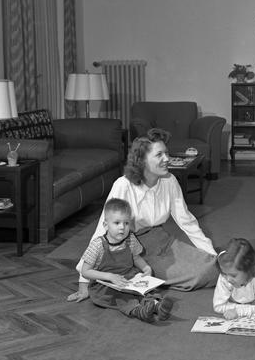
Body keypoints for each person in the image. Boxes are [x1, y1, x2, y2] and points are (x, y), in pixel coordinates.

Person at [67, 128, 219, 302]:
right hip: (134, 250)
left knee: (214, 266)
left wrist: (211, 253)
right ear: (142, 161)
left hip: (163, 240)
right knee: (201, 274)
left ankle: (147, 277)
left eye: (166, 153)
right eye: (159, 155)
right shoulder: (123, 186)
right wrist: (83, 283)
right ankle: (132, 270)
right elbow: (102, 229)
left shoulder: (170, 181)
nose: (167, 159)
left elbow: (188, 222)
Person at [79, 198, 173, 323]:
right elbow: (85, 271)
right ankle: (139, 311)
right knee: (122, 297)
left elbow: (135, 257)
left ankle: (157, 306)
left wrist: (146, 268)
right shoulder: (97, 245)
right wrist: (109, 276)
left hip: (128, 276)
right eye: (117, 223)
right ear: (106, 225)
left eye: (126, 223)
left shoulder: (130, 239)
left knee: (144, 290)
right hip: (105, 284)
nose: (122, 228)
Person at [214, 238, 255, 319]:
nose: (228, 279)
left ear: (248, 270)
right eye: (224, 273)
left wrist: (239, 311)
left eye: (233, 275)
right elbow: (218, 306)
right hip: (247, 300)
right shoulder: (224, 277)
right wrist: (246, 308)